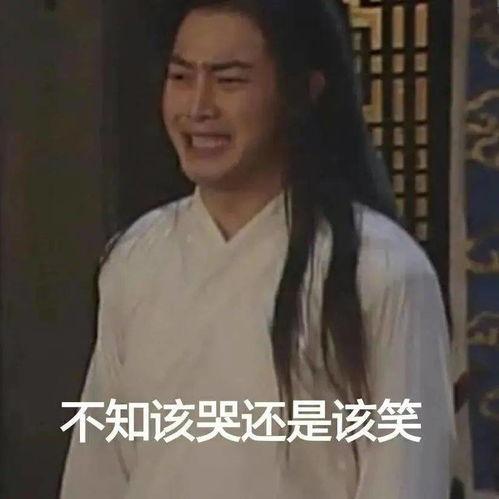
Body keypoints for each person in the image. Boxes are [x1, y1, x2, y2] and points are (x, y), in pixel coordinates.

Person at [60, 0, 455, 498]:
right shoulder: (136, 258)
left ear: (303, 91)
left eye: (229, 81)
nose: (198, 107)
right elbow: (98, 469)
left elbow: (405, 478)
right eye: (181, 77)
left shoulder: (381, 269)